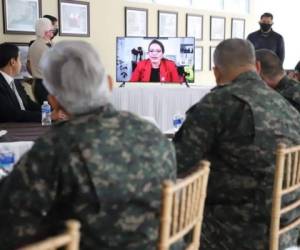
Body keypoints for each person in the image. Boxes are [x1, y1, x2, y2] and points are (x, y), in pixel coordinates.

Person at [0, 41, 177, 250]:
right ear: (110, 84)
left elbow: (9, 218)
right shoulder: (151, 130)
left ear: (53, 101)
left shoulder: (55, 146)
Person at [173, 38, 300, 250]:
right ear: (257, 67)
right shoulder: (285, 104)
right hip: (287, 226)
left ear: (216, 72)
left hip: (238, 231)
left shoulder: (218, 103)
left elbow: (177, 162)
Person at [0, 43, 40, 122]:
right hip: (10, 130)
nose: (21, 64)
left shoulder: (15, 82)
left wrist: (51, 111)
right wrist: (46, 116)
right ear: (12, 62)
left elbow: (29, 103)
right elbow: (12, 114)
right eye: (20, 60)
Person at [28, 18, 55, 105]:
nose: (53, 32)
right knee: (50, 114)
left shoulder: (36, 44)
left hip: (41, 84)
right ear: (45, 32)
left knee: (48, 113)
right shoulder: (43, 47)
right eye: (51, 30)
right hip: (45, 86)